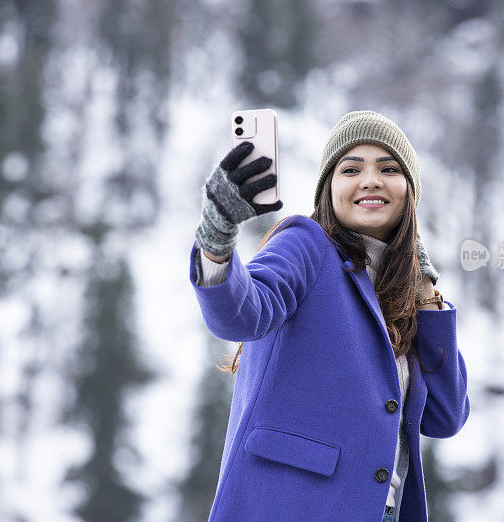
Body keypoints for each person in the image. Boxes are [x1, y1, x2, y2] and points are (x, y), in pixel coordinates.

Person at [189, 110, 470, 522]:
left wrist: (424, 291)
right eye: (350, 168)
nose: (370, 179)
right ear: (328, 189)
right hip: (291, 507)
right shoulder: (306, 245)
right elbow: (240, 315)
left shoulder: (401, 294)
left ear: (409, 193)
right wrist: (216, 237)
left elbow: (445, 416)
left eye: (389, 168)